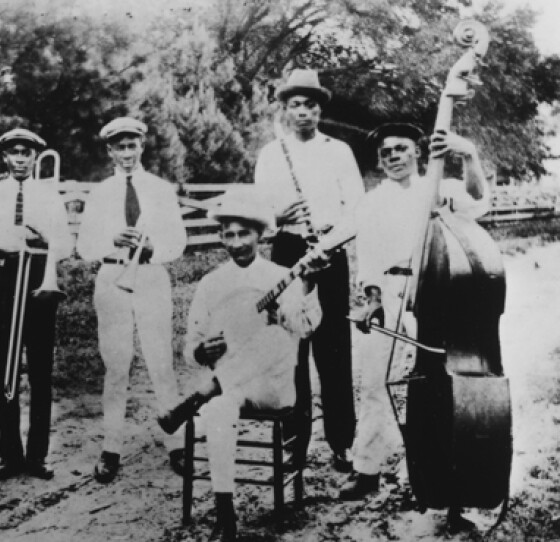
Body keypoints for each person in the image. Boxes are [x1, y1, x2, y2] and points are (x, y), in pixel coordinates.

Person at [341, 123, 491, 526]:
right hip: (388, 296)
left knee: (432, 389)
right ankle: (367, 469)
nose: (393, 156)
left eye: (401, 149)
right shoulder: (370, 203)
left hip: (435, 295)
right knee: (374, 382)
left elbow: (480, 202)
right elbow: (367, 257)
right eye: (385, 151)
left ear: (418, 153)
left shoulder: (440, 188)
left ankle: (426, 477)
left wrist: (469, 154)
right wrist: (371, 297)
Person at [156, 187, 325, 542]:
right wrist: (202, 352)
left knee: (274, 336)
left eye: (243, 233)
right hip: (234, 385)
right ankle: (225, 517)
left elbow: (307, 327)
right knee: (218, 409)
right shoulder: (212, 283)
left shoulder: (284, 274)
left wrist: (307, 282)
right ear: (221, 238)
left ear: (259, 235)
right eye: (228, 234)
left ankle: (198, 397)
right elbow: (191, 348)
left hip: (273, 389)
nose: (236, 242)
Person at [253, 69, 363, 471]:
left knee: (333, 350)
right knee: (289, 351)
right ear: (284, 110)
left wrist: (330, 240)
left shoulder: (339, 150)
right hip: (287, 251)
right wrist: (277, 217)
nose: (303, 112)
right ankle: (294, 442)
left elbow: (356, 211)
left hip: (329, 255)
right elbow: (258, 215)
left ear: (320, 110)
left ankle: (341, 442)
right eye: (295, 105)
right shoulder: (271, 153)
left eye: (311, 105)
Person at [76, 117, 188, 483]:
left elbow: (178, 242)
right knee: (116, 365)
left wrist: (153, 247)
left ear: (142, 146)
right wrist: (112, 241)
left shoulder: (159, 189)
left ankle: (175, 444)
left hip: (151, 276)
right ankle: (111, 449)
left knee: (160, 361)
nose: (127, 153)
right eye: (119, 147)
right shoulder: (101, 193)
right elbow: (84, 247)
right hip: (113, 277)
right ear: (110, 150)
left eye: (132, 145)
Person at [0, 128, 73, 481]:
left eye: (26, 153)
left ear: (35, 157)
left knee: (41, 369)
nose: (20, 159)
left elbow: (67, 246)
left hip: (40, 276)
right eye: (14, 153)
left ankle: (38, 456)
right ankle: (9, 456)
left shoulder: (49, 195)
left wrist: (45, 241)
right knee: (6, 366)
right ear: (5, 157)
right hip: (5, 276)